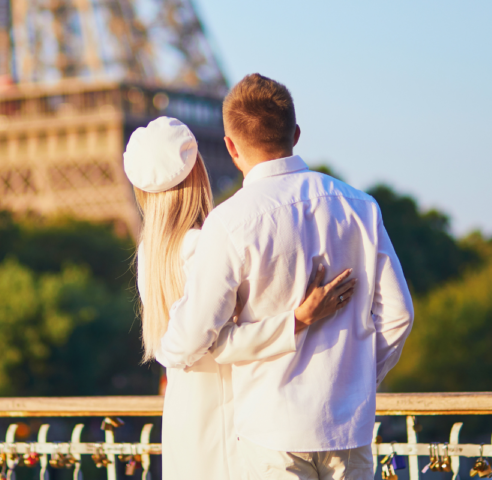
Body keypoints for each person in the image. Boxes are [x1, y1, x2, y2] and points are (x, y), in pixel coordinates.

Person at [155, 74, 415, 480]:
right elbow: (398, 316)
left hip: (271, 432)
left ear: (230, 146)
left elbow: (193, 339)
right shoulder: (360, 207)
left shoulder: (229, 222)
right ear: (295, 133)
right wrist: (356, 379)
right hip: (350, 429)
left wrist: (165, 350)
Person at [123, 116, 358, 480]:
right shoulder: (205, 244)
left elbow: (182, 347)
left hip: (185, 415)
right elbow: (215, 344)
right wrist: (297, 319)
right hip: (232, 412)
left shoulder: (148, 254)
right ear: (198, 171)